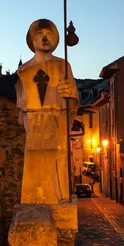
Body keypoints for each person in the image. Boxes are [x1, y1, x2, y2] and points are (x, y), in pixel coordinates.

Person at [15, 19, 79, 204]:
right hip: (35, 121)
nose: (44, 38)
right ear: (31, 40)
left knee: (58, 159)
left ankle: (58, 196)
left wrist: (70, 93)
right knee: (36, 160)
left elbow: (73, 100)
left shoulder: (63, 66)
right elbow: (22, 101)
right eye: (39, 34)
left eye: (49, 34)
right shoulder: (23, 70)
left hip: (56, 119)